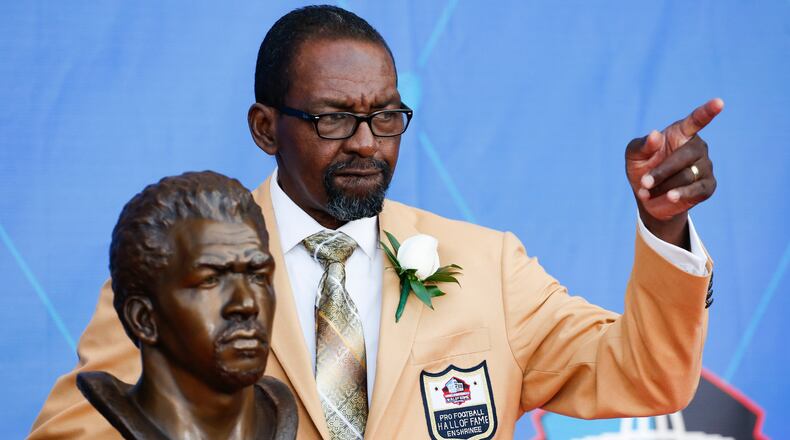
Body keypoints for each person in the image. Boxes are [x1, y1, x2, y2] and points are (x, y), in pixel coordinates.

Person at [30, 5, 720, 440]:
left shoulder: (487, 266)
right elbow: (78, 429)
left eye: (385, 116)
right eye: (334, 117)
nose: (366, 142)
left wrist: (664, 231)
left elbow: (647, 378)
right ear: (266, 128)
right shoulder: (185, 266)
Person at [76, 171, 297, 439]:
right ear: (144, 318)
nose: (246, 304)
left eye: (257, 276)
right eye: (211, 280)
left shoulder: (277, 412)